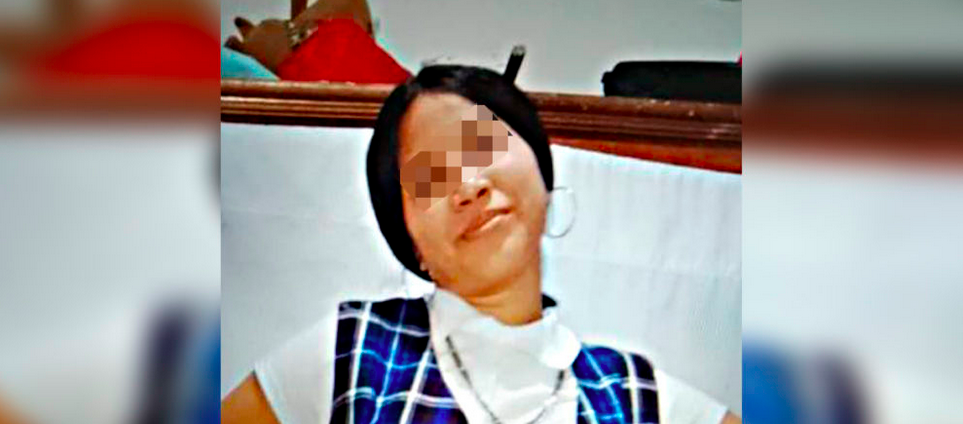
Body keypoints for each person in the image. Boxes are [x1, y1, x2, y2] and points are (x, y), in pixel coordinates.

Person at [222, 65, 740, 424]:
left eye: (482, 145)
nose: (468, 186)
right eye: (430, 176)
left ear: (540, 168)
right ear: (410, 240)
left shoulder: (638, 397)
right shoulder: (349, 354)